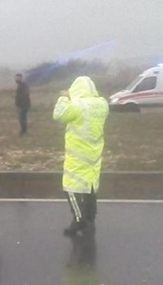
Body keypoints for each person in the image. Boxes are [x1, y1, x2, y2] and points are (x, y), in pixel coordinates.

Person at [53, 76, 109, 236]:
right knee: (90, 186)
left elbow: (59, 115)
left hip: (77, 154)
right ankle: (90, 219)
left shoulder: (78, 105)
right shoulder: (102, 104)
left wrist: (64, 97)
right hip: (94, 153)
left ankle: (79, 220)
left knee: (70, 187)